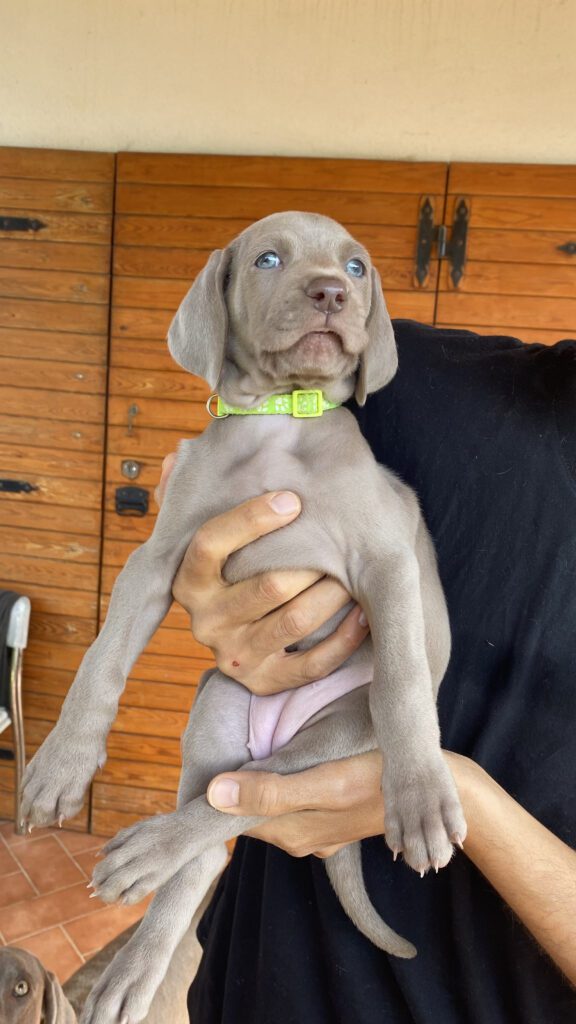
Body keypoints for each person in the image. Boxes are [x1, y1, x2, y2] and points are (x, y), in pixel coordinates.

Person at [156, 320, 576, 1023]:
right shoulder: (383, 373)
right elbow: (207, 502)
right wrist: (213, 576)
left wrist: (459, 799)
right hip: (251, 990)